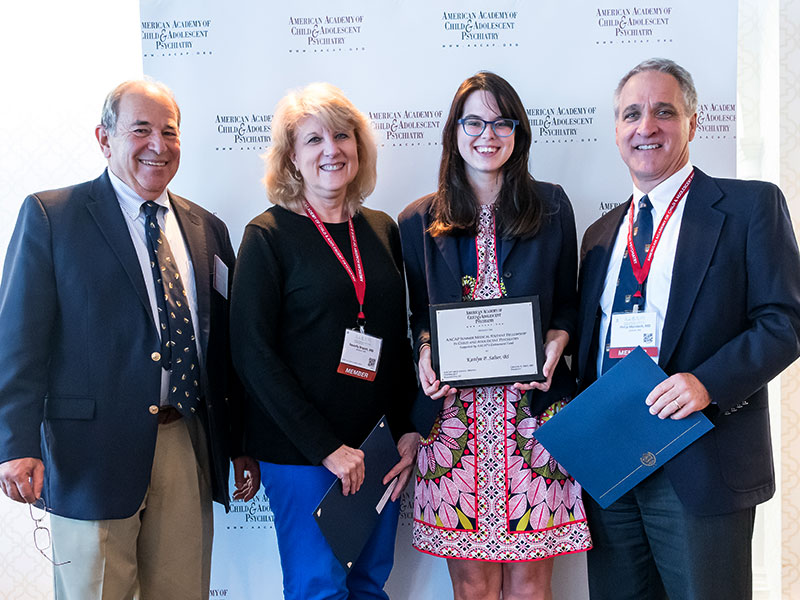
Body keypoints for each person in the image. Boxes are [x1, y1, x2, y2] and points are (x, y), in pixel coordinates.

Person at [0, 79, 258, 600]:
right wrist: (15, 443)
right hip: (88, 455)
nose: (158, 145)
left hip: (186, 442)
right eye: (141, 130)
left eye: (170, 131)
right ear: (105, 137)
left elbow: (224, 352)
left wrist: (239, 445)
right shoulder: (53, 216)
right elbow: (18, 341)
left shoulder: (208, 229)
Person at [576, 58, 800, 599]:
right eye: (632, 114)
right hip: (614, 471)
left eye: (664, 112)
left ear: (693, 123)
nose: (646, 126)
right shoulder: (600, 235)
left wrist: (706, 384)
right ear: (616, 131)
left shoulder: (750, 206)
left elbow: (784, 323)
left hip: (703, 465)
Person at [398, 71, 591, 600]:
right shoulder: (417, 220)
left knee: (530, 584)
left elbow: (570, 302)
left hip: (533, 419)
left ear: (518, 132)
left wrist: (559, 339)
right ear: (454, 131)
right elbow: (415, 315)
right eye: (474, 121)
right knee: (473, 586)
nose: (488, 134)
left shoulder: (550, 206)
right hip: (454, 422)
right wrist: (425, 350)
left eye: (502, 122)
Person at [229, 82, 419, 600]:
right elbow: (252, 354)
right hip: (303, 455)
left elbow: (396, 343)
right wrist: (326, 449)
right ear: (292, 157)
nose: (330, 150)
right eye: (312, 140)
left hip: (375, 448)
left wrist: (405, 429)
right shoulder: (267, 235)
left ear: (359, 146)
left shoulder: (380, 230)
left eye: (342, 135)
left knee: (369, 580)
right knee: (319, 587)